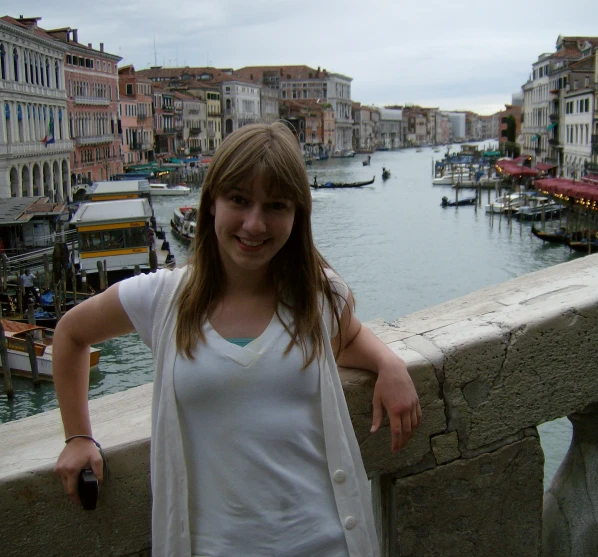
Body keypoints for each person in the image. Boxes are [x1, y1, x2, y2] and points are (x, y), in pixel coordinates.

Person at [54, 122, 421, 557]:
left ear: (297, 215)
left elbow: (348, 336)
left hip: (327, 542)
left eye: (276, 206)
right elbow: (70, 334)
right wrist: (77, 436)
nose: (254, 224)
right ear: (211, 202)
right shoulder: (162, 300)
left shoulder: (317, 295)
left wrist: (389, 364)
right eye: (239, 200)